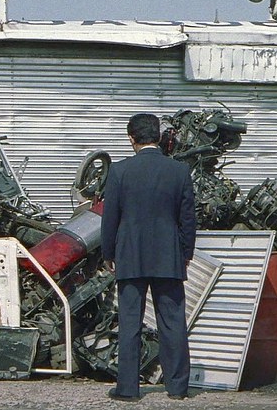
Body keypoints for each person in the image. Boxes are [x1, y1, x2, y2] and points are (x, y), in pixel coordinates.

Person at [101, 113, 197, 402]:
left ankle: (128, 388)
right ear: (159, 136)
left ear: (132, 138)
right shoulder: (179, 171)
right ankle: (177, 387)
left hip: (130, 255)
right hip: (168, 255)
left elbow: (110, 217)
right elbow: (188, 219)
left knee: (130, 322)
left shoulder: (119, 171)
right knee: (172, 321)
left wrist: (108, 253)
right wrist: (186, 253)